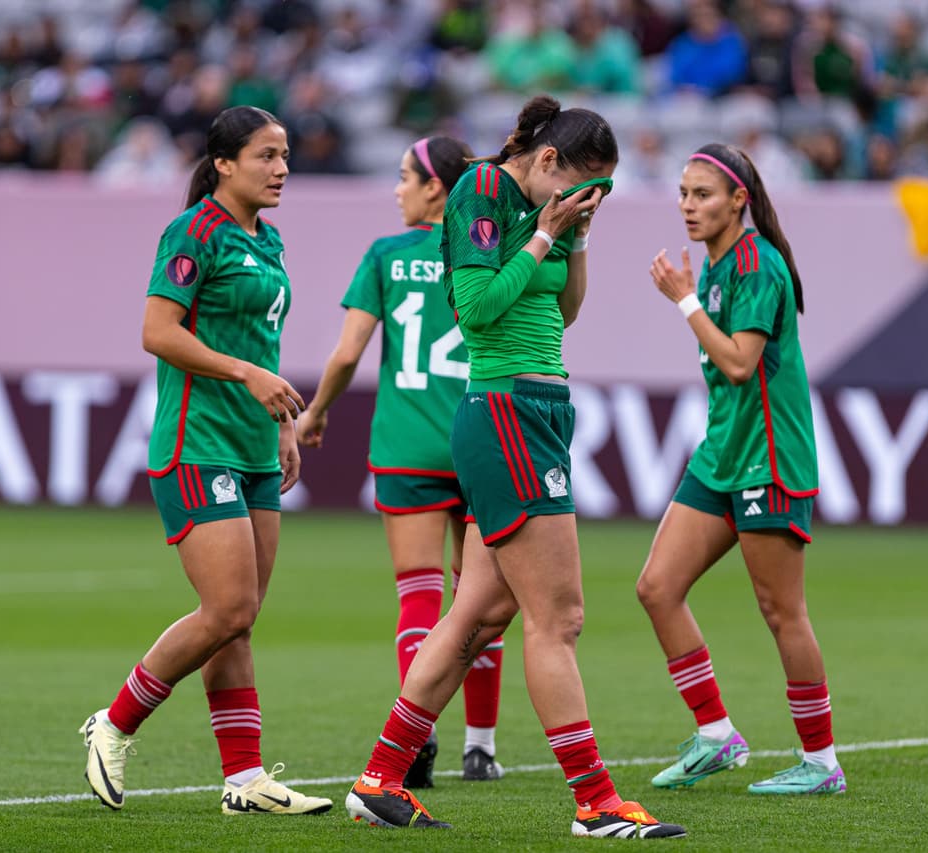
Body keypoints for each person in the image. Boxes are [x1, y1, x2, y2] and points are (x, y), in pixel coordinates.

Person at [343, 95, 687, 839]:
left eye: (603, 193)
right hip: (505, 413)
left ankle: (380, 776)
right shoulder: (484, 192)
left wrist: (577, 238)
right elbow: (475, 310)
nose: (587, 200)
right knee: (557, 617)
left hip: (536, 411)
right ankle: (595, 801)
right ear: (545, 160)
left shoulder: (548, 209)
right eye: (581, 186)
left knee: (476, 613)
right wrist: (543, 239)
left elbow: (562, 313)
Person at [78, 105, 333, 817]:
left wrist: (279, 424)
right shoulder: (193, 232)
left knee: (240, 619)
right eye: (266, 155)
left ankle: (245, 779)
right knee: (227, 606)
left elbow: (262, 341)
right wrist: (247, 377)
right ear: (223, 162)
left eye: (286, 156)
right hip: (196, 445)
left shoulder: (270, 240)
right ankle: (115, 722)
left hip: (253, 446)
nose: (281, 169)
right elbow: (157, 331)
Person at [297, 135, 507, 787]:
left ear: (436, 188)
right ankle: (481, 746)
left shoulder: (387, 255)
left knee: (418, 595)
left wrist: (318, 410)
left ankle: (417, 738)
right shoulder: (484, 249)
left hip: (406, 444)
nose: (397, 189)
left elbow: (347, 353)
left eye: (405, 178)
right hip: (480, 437)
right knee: (477, 596)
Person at [638, 142, 845, 795]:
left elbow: (738, 363)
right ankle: (716, 734)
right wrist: (693, 295)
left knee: (781, 609)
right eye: (683, 193)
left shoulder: (758, 265)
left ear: (738, 201)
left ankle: (821, 762)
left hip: (769, 459)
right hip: (722, 453)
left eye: (702, 194)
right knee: (657, 587)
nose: (687, 206)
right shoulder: (722, 264)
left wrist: (683, 300)